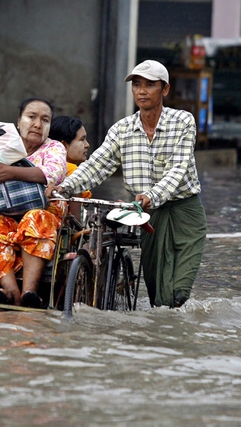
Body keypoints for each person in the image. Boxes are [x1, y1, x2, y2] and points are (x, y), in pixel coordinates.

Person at [48, 60, 207, 308]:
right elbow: (97, 165)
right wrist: (64, 188)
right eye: (136, 85)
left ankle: (177, 314)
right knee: (158, 291)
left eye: (150, 85)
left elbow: (179, 168)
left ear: (164, 90)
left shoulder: (183, 122)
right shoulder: (121, 130)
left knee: (180, 287)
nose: (141, 91)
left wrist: (151, 195)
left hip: (184, 207)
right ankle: (162, 330)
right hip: (147, 213)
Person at [0, 98, 67, 308]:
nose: (37, 124)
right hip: (6, 213)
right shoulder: (3, 147)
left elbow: (53, 172)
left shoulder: (54, 148)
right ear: (19, 121)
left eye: (45, 120)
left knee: (37, 217)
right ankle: (10, 291)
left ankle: (29, 292)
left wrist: (10, 172)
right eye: (31, 117)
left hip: (44, 212)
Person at [49, 116, 92, 217]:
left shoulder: (42, 165)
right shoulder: (73, 170)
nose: (87, 145)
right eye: (82, 140)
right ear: (63, 146)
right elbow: (76, 220)